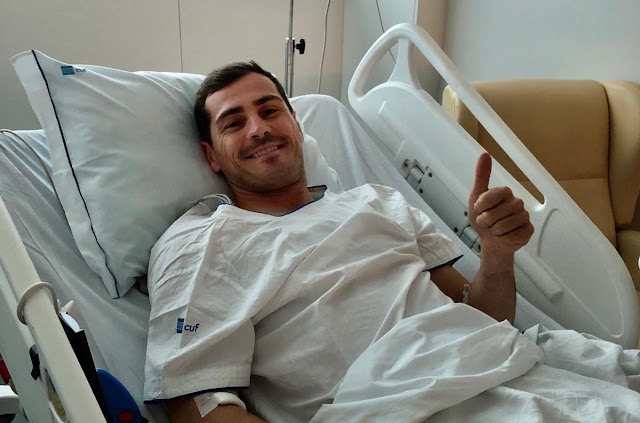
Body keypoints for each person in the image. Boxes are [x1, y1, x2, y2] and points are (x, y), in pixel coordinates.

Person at [143, 62, 640, 423]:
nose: (259, 129)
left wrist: (496, 253)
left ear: (296, 125)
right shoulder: (203, 243)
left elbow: (486, 317)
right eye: (234, 122)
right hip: (398, 407)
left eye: (270, 110)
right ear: (211, 156)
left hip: (504, 365)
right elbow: (195, 403)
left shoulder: (377, 202)